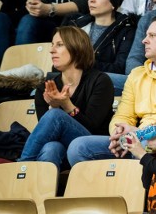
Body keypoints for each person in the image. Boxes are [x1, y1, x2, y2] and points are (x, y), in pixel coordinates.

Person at [67, 15, 156, 166]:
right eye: (146, 35)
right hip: (136, 138)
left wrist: (139, 134)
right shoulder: (137, 74)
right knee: (78, 148)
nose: (144, 40)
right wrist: (121, 134)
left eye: (152, 36)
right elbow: (122, 116)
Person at [18, 26, 114, 170]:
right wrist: (54, 105)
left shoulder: (100, 81)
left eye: (59, 45)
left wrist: (66, 105)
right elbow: (47, 134)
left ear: (77, 47)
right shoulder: (45, 87)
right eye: (52, 45)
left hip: (91, 148)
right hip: (62, 148)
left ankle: (22, 167)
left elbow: (93, 127)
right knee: (51, 148)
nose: (52, 50)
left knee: (55, 115)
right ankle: (42, 190)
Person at [65, 0, 137, 94]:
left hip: (103, 84)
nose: (91, 0)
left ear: (113, 2)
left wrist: (84, 63)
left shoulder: (127, 31)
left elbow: (119, 68)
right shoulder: (76, 26)